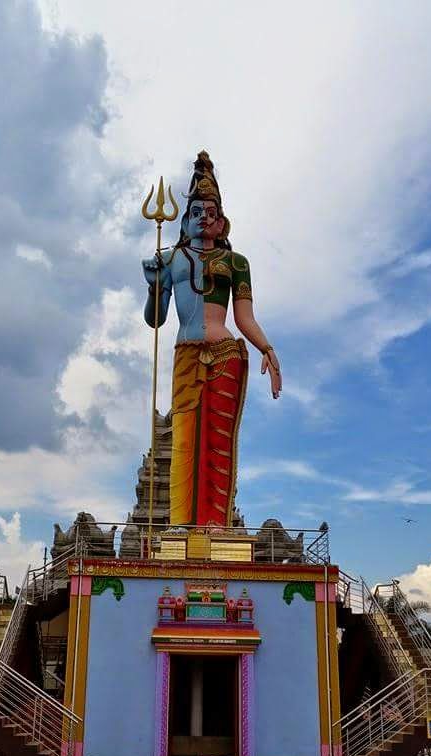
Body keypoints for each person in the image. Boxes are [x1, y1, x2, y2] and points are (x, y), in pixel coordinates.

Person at [142, 151, 282, 528]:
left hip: (225, 354)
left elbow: (244, 317)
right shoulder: (170, 260)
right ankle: (179, 528)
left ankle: (216, 529)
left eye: (211, 213)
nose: (204, 218)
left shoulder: (237, 264)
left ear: (222, 224)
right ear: (185, 221)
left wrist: (266, 348)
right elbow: (155, 320)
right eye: (197, 212)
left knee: (219, 446)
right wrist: (154, 286)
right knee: (184, 441)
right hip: (186, 352)